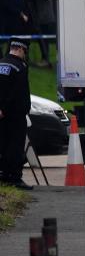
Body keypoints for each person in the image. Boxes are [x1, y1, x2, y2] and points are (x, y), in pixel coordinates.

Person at [0, 40, 32, 189]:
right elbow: (17, 93)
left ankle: (4, 175)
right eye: (25, 52)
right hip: (15, 114)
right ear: (20, 49)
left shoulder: (2, 63)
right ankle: (15, 178)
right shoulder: (20, 67)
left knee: (4, 144)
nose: (25, 55)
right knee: (16, 146)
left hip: (3, 114)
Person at [19, 0, 55, 66]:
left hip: (46, 19)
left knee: (44, 40)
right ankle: (45, 59)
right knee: (42, 40)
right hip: (42, 18)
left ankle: (46, 60)